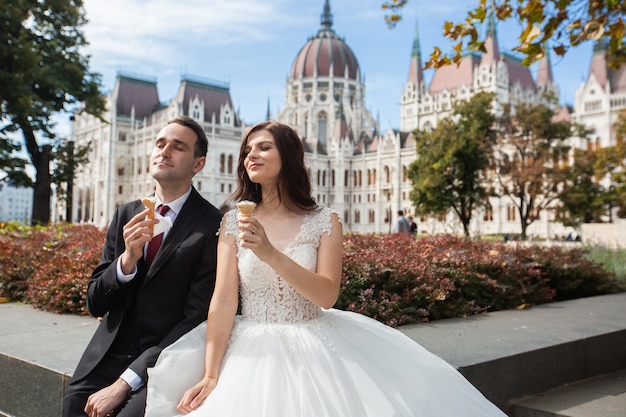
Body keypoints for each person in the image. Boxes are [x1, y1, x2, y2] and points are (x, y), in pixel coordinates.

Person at [145, 121, 507, 417]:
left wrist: (270, 253)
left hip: (316, 344)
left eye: (263, 147)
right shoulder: (232, 224)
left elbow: (327, 295)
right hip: (249, 348)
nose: (251, 154)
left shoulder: (325, 221)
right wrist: (211, 374)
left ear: (288, 155)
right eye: (247, 150)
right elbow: (223, 302)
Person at [62, 116, 223, 417]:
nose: (164, 151)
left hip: (165, 358)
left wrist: (126, 381)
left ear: (198, 165)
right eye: (160, 144)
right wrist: (126, 261)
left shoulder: (212, 225)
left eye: (177, 147)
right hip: (107, 355)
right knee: (74, 406)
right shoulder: (126, 213)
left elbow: (194, 317)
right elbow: (95, 302)